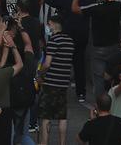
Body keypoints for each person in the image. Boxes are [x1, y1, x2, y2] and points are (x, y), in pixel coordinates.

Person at [39, 15, 75, 145]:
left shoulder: (54, 41)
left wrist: (40, 73)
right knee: (62, 116)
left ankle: (44, 142)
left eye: (49, 24)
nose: (48, 27)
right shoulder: (70, 41)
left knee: (46, 116)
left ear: (54, 24)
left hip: (50, 83)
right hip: (63, 83)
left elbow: (47, 63)